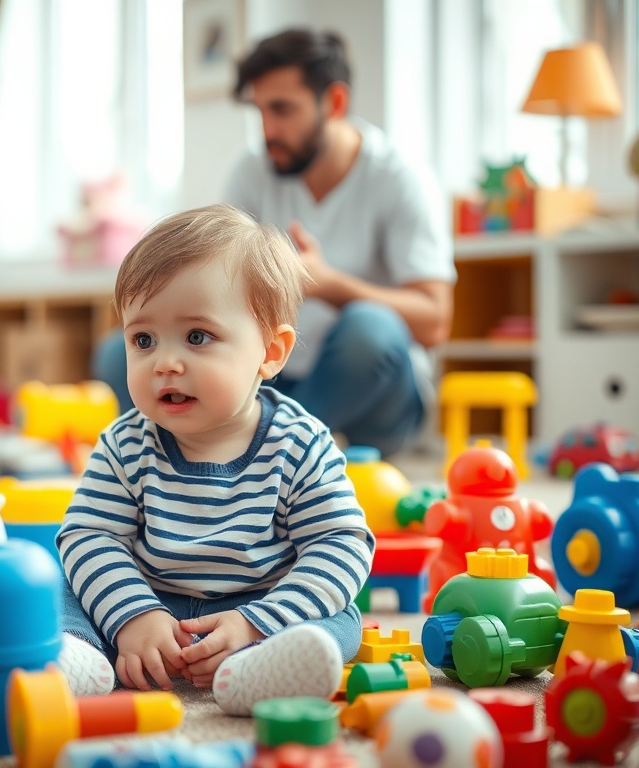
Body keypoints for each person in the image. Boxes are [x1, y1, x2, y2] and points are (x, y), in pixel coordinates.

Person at [55, 204, 375, 715]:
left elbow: (341, 544)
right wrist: (132, 616)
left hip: (260, 607)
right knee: (61, 580)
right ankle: (84, 659)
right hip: (144, 601)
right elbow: (89, 536)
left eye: (197, 337)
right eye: (143, 339)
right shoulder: (124, 444)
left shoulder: (301, 444)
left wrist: (258, 622)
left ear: (271, 352)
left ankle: (253, 672)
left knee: (340, 621)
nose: (166, 362)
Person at [94, 29, 455, 457]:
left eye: (282, 110)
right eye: (260, 111)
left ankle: (280, 456)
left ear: (335, 103)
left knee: (369, 329)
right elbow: (206, 276)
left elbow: (434, 322)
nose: (268, 129)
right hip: (270, 375)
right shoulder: (252, 170)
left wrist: (330, 284)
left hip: (372, 397)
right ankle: (178, 459)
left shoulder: (400, 179)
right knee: (121, 353)